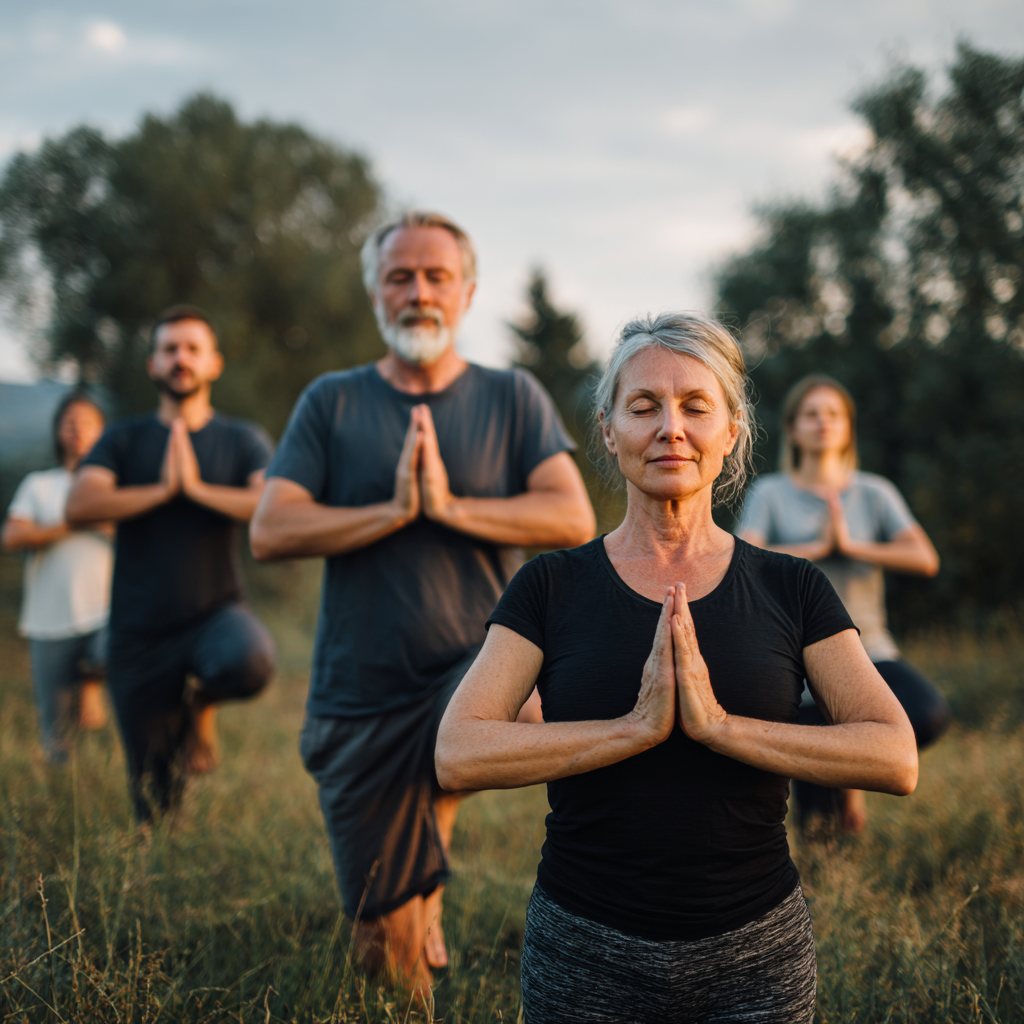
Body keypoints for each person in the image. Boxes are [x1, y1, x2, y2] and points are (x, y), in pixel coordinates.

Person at [435, 313, 918, 1024]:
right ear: (608, 430)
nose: (671, 428)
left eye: (696, 406)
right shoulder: (550, 584)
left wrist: (719, 727)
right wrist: (633, 729)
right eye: (643, 406)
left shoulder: (793, 586)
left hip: (757, 953)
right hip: (584, 949)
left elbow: (895, 754)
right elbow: (458, 751)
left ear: (731, 432)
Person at [250, 210, 595, 994]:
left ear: (467, 292)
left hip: (472, 665)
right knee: (381, 947)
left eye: (437, 276)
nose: (419, 292)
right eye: (399, 276)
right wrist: (391, 510)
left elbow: (569, 516)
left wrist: (449, 507)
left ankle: (421, 871)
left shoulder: (512, 396)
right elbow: (270, 529)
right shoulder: (331, 400)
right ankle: (415, 894)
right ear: (375, 290)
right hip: (360, 689)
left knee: (528, 711)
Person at [66, 306, 276, 822]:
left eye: (192, 349)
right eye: (169, 349)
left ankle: (198, 706)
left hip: (215, 613)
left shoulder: (241, 439)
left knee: (252, 663)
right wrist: (161, 491)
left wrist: (194, 489)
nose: (180, 358)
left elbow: (268, 506)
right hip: (138, 629)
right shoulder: (123, 438)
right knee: (156, 797)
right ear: (152, 366)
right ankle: (159, 860)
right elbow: (80, 506)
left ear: (214, 364)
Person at [736, 375, 949, 833]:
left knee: (927, 714)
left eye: (833, 414)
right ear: (793, 428)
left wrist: (851, 545)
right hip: (797, 665)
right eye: (811, 414)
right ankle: (827, 774)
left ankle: (845, 764)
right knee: (825, 833)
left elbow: (924, 558)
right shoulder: (770, 493)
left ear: (848, 428)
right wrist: (817, 544)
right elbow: (743, 564)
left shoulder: (874, 492)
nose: (823, 423)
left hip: (870, 653)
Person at [2, 391, 111, 761]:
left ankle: (91, 683)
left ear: (103, 432)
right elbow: (13, 536)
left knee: (116, 652)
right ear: (59, 431)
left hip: (105, 612)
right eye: (70, 422)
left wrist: (94, 514)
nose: (78, 429)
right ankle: (63, 803)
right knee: (57, 734)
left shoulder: (115, 487)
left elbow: (136, 536)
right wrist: (75, 520)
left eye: (87, 422)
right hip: (49, 620)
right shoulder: (39, 485)